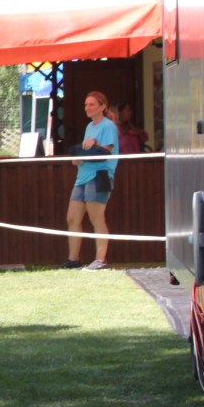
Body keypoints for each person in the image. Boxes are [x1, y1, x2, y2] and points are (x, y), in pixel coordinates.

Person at [64, 90, 119, 271]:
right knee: (72, 218)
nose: (87, 108)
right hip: (82, 176)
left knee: (96, 218)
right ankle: (73, 259)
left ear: (102, 107)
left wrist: (90, 148)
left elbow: (105, 150)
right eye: (86, 105)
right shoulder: (89, 126)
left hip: (99, 176)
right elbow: (86, 150)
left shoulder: (108, 126)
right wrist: (78, 157)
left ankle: (100, 260)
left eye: (91, 104)